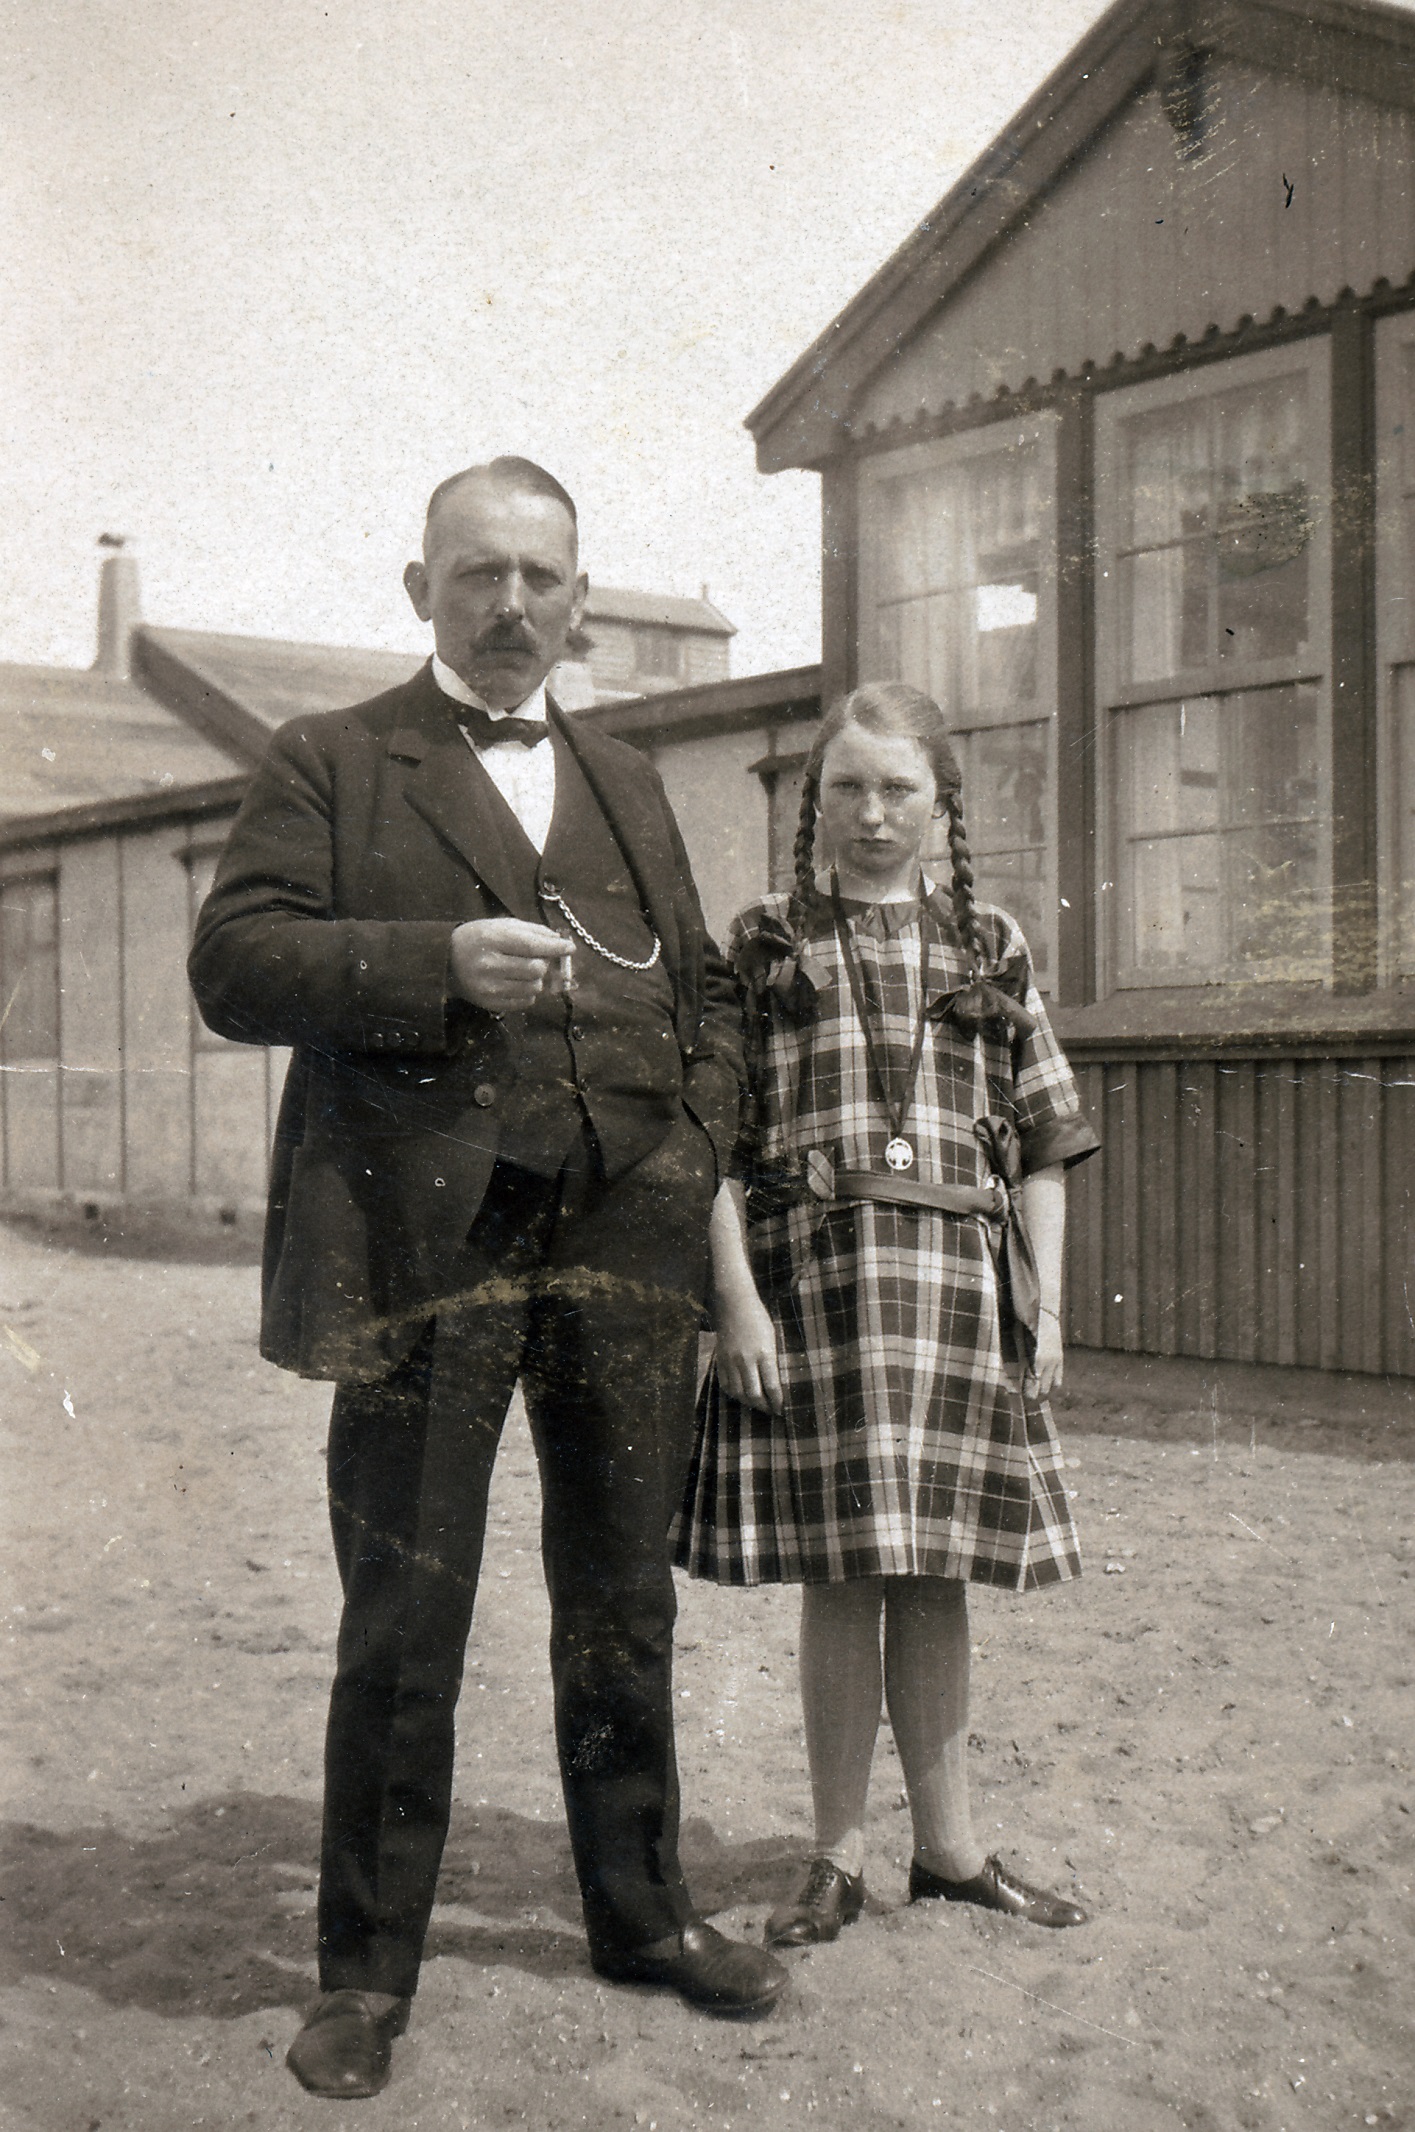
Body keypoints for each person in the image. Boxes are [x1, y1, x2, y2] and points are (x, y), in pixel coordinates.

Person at [189, 458, 786, 2101]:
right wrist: (429, 964)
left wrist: (686, 1146)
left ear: (578, 598)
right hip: (420, 1249)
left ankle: (642, 1913)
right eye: (478, 573)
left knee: (623, 1595)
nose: (510, 603)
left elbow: (706, 991)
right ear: (421, 589)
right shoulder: (330, 760)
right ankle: (365, 1974)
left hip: (622, 1245)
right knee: (407, 1608)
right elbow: (232, 963)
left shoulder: (628, 776)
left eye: (539, 576)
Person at [674, 681, 1100, 1951]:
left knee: (933, 1571)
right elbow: (708, 1140)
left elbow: (1042, 1141)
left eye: (898, 788)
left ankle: (949, 1850)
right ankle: (836, 1853)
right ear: (815, 799)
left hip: (956, 1292)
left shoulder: (991, 942)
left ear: (940, 804)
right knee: (841, 1569)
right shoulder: (762, 941)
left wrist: (1044, 1306)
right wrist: (735, 1302)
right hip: (817, 1292)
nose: (871, 812)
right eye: (847, 787)